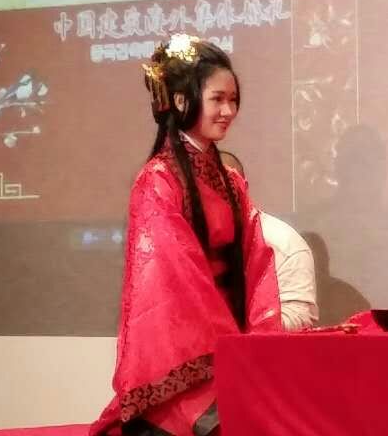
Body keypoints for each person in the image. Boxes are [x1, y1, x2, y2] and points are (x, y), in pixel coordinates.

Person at [91, 35, 282, 436]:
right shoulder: (157, 182)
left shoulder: (232, 181)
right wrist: (228, 352)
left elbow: (256, 261)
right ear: (181, 101)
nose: (228, 111)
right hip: (184, 357)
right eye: (218, 99)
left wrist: (259, 345)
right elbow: (177, 283)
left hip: (231, 343)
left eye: (233, 100)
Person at [219, 151, 319, 330]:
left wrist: (228, 326)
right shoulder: (180, 240)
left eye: (221, 187)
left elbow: (298, 317)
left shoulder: (283, 243)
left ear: (243, 187)